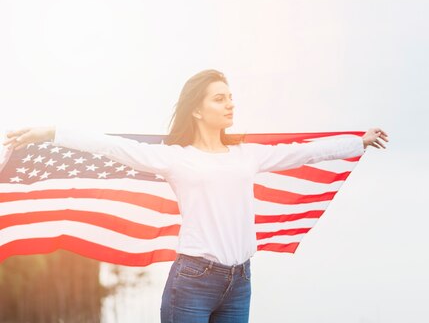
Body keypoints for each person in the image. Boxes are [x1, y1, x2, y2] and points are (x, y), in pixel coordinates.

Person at [2, 69, 389, 323]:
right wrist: (50, 131)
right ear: (199, 111)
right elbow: (110, 147)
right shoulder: (175, 160)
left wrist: (357, 140)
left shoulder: (247, 156)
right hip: (194, 281)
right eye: (220, 98)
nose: (230, 103)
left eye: (230, 96)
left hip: (240, 281)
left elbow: (304, 151)